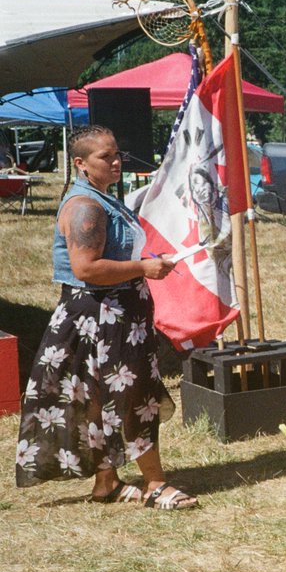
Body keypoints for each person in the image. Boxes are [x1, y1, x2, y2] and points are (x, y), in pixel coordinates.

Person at [15, 126, 197, 509]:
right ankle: (155, 484)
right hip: (101, 317)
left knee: (97, 398)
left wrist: (141, 266)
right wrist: (142, 268)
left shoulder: (101, 199)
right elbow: (87, 269)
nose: (115, 162)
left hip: (114, 315)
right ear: (80, 163)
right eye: (105, 157)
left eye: (118, 155)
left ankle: (106, 483)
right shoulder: (86, 207)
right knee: (133, 398)